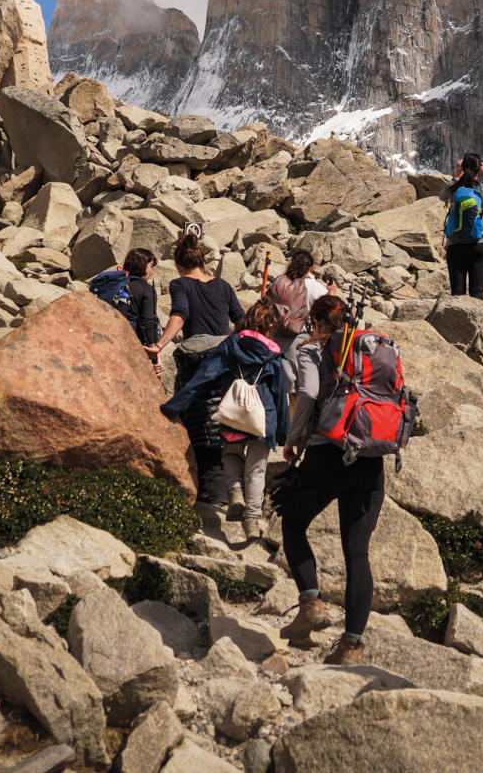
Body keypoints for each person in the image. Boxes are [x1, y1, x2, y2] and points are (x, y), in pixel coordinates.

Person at [278, 294, 385, 665]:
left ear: (317, 322)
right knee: (357, 552)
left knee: (293, 523)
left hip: (329, 452)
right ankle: (351, 646)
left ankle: (310, 603)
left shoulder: (313, 349)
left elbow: (308, 393)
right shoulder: (369, 349)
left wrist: (293, 439)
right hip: (370, 457)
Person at [161, 297, 290, 545]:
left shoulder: (232, 344)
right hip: (264, 417)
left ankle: (235, 493)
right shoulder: (274, 354)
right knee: (256, 469)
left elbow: (204, 375)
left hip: (233, 412)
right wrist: (283, 431)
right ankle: (252, 520)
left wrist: (175, 405)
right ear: (270, 326)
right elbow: (279, 393)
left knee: (231, 454)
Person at [148, 232, 244, 512]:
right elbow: (241, 319)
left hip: (197, 361)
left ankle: (209, 493)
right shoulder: (223, 285)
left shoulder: (181, 284)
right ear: (203, 262)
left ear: (179, 265)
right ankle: (232, 488)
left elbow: (180, 315)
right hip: (227, 360)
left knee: (200, 423)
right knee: (226, 422)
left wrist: (159, 344)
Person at [266, 249, 335, 386]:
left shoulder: (279, 282)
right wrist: (331, 292)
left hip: (275, 337)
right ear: (311, 268)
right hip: (299, 340)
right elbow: (330, 307)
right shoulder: (313, 286)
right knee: (299, 384)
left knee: (277, 382)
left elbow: (265, 303)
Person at [440, 153, 483, 299]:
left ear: (462, 167)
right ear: (478, 169)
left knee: (457, 294)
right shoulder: (482, 190)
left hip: (455, 245)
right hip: (479, 244)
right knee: (477, 294)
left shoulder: (454, 189)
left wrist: (456, 177)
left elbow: (442, 196)